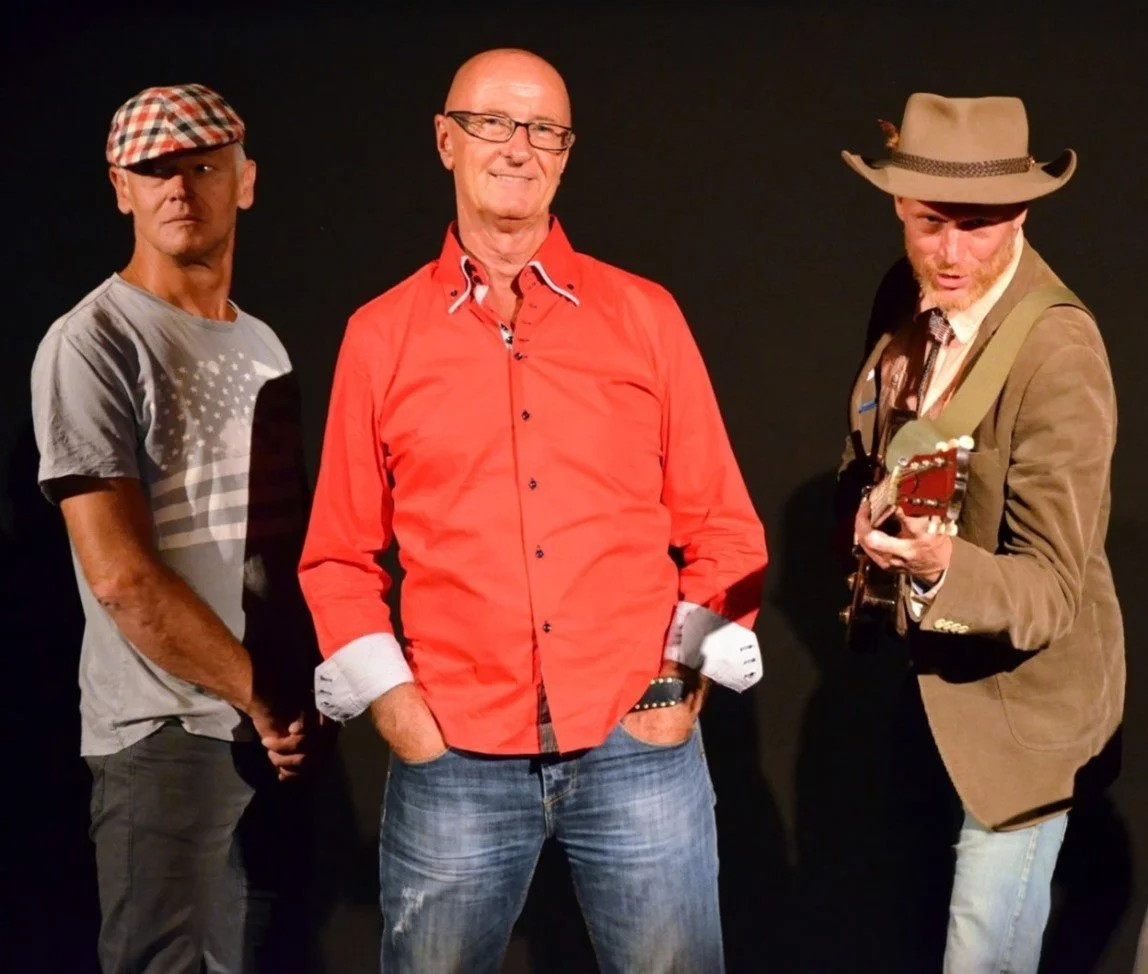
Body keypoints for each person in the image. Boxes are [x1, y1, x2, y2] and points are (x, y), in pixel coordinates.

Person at [299, 48, 767, 973]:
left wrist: (674, 691)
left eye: (544, 130)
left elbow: (722, 528)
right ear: (446, 140)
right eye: (493, 123)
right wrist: (399, 714)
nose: (519, 147)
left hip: (636, 745)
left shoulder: (645, 316)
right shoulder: (380, 336)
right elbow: (338, 558)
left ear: (565, 153)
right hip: (454, 758)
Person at [31, 83, 324, 973]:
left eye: (201, 166)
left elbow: (280, 552)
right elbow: (120, 576)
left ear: (246, 181)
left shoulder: (264, 346)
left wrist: (295, 702)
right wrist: (258, 695)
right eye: (153, 170)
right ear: (120, 188)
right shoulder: (94, 341)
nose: (178, 188)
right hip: (164, 732)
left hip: (273, 735)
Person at [839, 92, 1124, 973]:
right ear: (899, 204)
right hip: (927, 692)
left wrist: (937, 563)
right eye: (930, 223)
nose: (951, 253)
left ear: (1023, 212)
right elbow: (880, 430)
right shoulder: (907, 294)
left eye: (978, 227)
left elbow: (1052, 592)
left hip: (1023, 714)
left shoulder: (1058, 352)